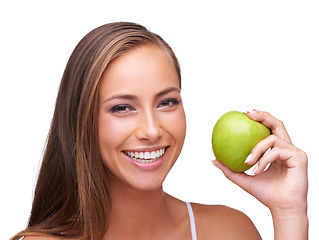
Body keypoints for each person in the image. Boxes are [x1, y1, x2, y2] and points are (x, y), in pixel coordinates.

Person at [11, 22, 308, 240]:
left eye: (167, 102)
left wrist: (289, 213)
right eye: (122, 108)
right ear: (82, 120)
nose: (152, 131)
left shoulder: (229, 231)